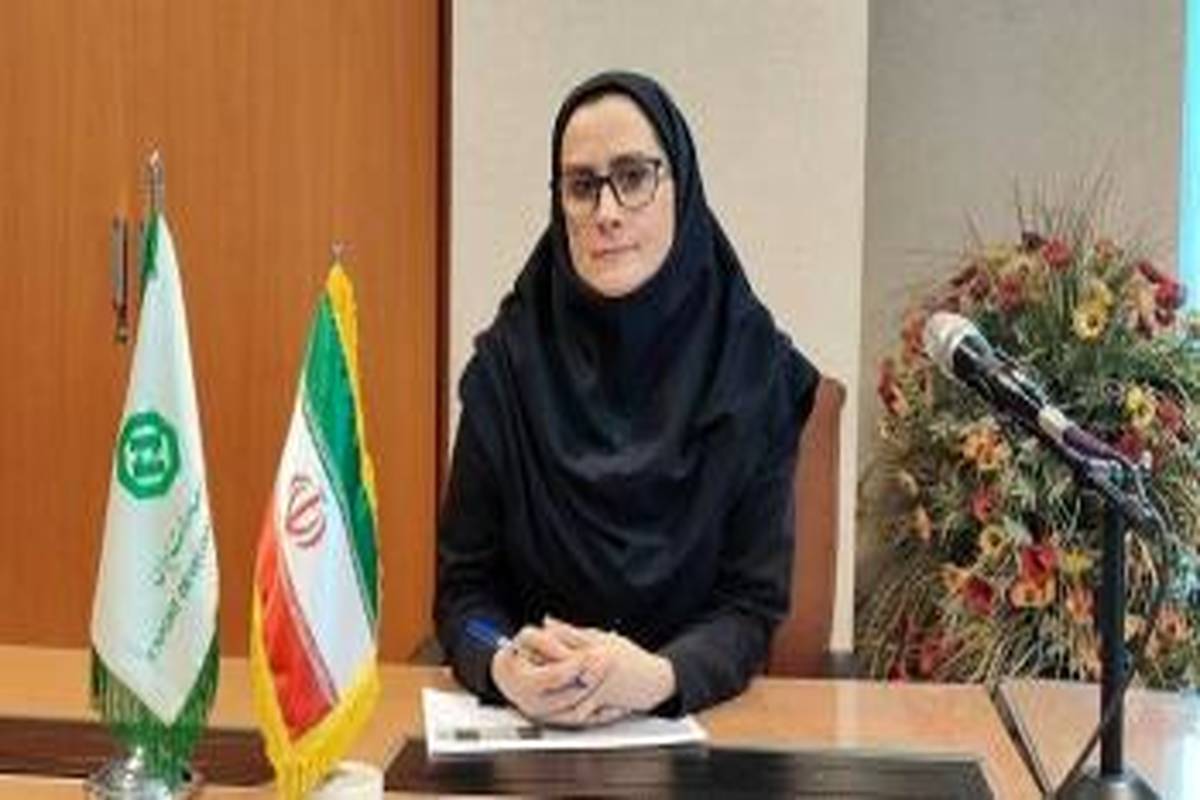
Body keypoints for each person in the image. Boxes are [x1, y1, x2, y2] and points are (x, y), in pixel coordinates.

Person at [434, 71, 818, 726]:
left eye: (634, 177)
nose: (607, 212)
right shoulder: (506, 370)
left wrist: (658, 678)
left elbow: (749, 610)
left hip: (693, 730)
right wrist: (502, 665)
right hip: (531, 735)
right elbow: (462, 602)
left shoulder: (753, 372)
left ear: (681, 187)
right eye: (582, 186)